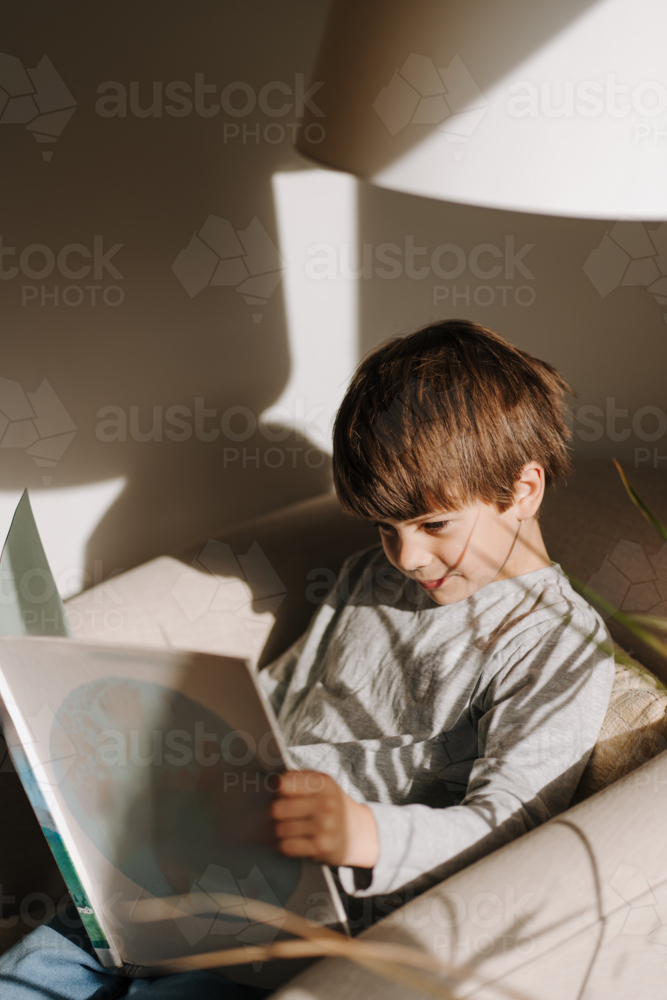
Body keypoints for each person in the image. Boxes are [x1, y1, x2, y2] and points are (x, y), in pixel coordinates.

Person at [0, 319, 616, 997]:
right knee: (31, 970)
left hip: (309, 918)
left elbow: (512, 827)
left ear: (522, 490)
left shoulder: (558, 647)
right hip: (194, 867)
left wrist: (363, 837)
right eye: (387, 528)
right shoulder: (364, 580)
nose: (407, 557)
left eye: (433, 525)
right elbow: (274, 717)